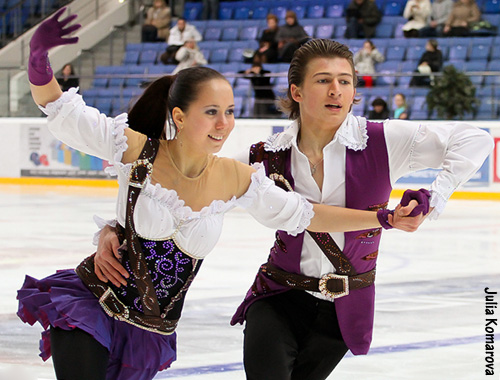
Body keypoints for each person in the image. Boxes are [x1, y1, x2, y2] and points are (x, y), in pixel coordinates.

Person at [17, 13, 425, 380]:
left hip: (149, 329)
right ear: (179, 116)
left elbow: (305, 215)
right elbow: (60, 109)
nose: (224, 123)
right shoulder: (134, 149)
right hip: (92, 304)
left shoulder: (236, 177)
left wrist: (382, 219)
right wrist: (38, 57)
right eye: (211, 111)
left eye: (229, 111)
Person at [96, 38, 494, 380]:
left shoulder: (384, 140)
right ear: (297, 91)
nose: (336, 90)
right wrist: (113, 230)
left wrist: (436, 197)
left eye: (345, 81)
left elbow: (473, 139)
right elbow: (185, 190)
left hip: (346, 305)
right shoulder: (264, 156)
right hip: (278, 294)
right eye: (323, 81)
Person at [239, 53, 280, 118]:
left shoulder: (265, 72)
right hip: (258, 96)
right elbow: (239, 73)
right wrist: (248, 72)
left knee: (263, 115)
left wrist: (259, 72)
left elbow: (267, 76)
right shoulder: (252, 75)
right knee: (255, 114)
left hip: (266, 96)